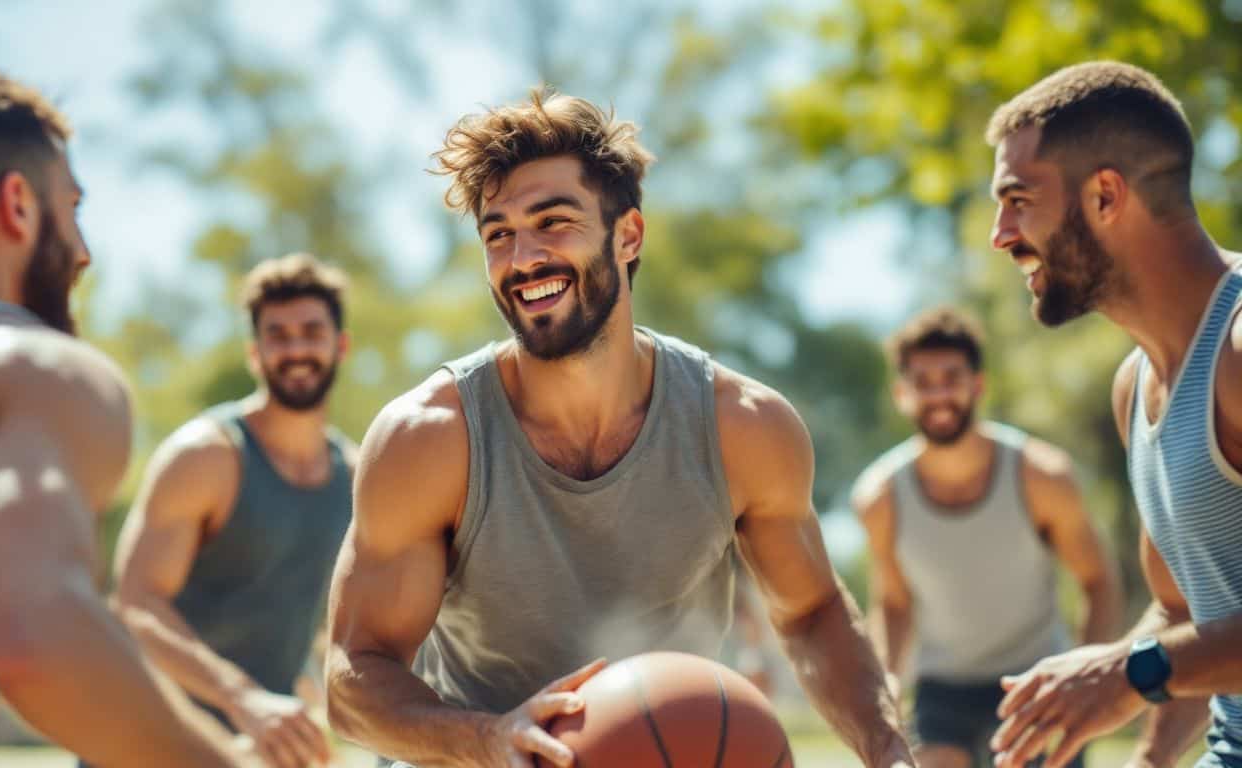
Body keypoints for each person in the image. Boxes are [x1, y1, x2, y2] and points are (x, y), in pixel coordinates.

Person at [321, 89, 916, 768]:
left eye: (553, 221)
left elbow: (813, 615)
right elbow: (352, 676)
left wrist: (890, 751)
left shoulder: (742, 427)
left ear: (628, 234)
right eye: (499, 234)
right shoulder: (426, 439)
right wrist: (487, 737)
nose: (523, 258)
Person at [0, 58, 249, 767]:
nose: (84, 251)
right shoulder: (28, 368)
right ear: (18, 205)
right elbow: (36, 644)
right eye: (75, 208)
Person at [984, 61, 1242, 768]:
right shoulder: (1135, 388)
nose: (1000, 235)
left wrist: (1132, 672)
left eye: (1017, 200)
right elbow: (1186, 617)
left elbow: (1169, 657)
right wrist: (1148, 758)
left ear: (1105, 195)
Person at [103, 254, 356, 768]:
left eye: (311, 331)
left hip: (256, 751)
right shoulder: (206, 456)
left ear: (340, 346)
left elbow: (319, 617)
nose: (296, 349)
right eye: (278, 335)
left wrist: (317, 690)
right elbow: (135, 603)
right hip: (147, 744)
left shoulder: (353, 472)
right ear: (254, 354)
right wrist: (243, 697)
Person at [854, 306, 1123, 768]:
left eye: (951, 377)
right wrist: (887, 683)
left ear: (978, 384)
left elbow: (1098, 581)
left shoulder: (1042, 475)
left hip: (1036, 679)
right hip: (942, 688)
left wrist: (1084, 672)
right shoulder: (880, 497)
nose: (938, 394)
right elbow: (895, 604)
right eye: (922, 381)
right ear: (902, 394)